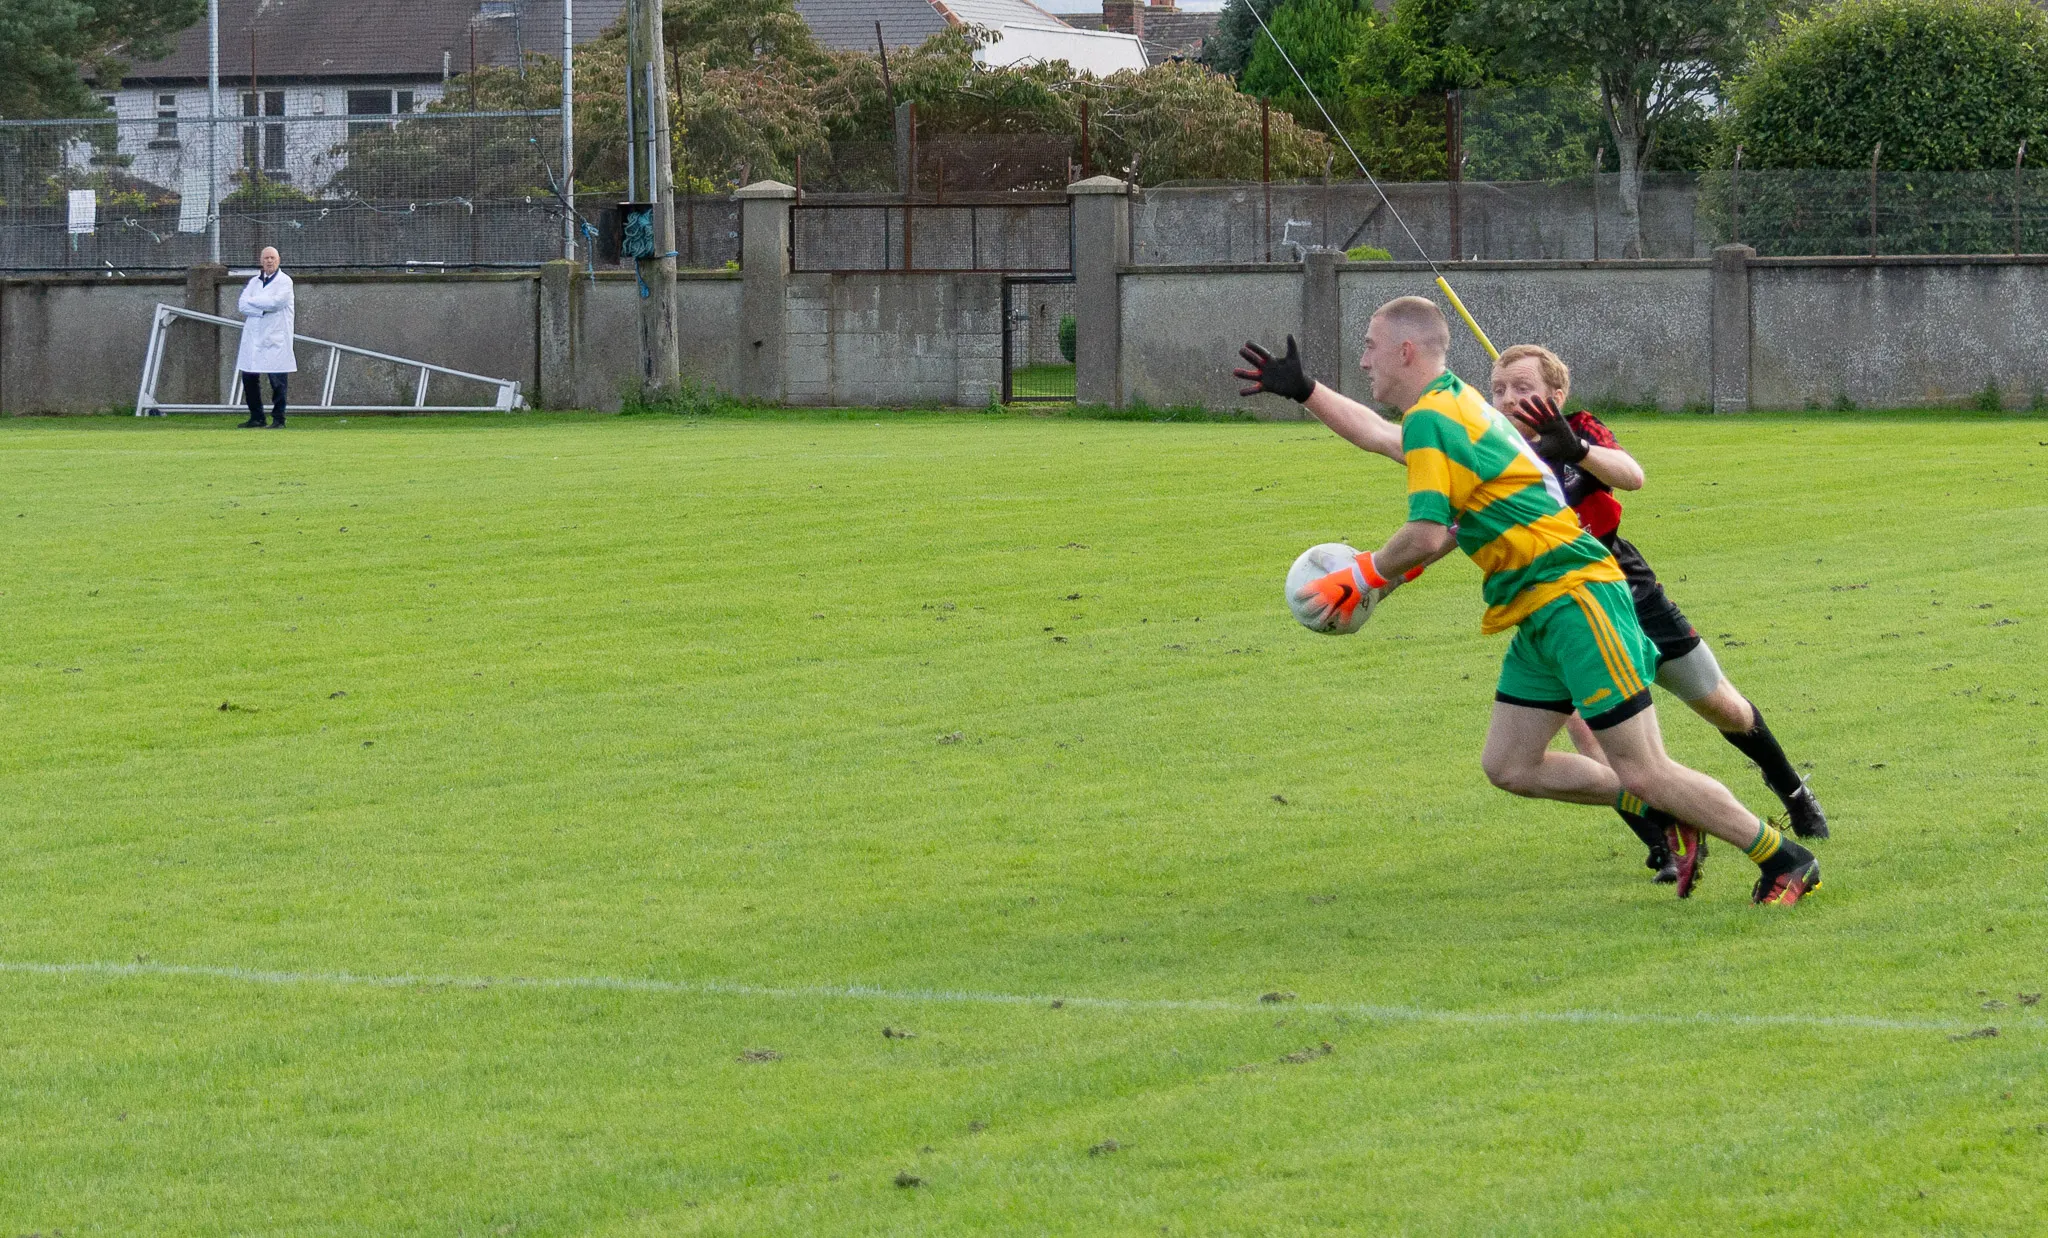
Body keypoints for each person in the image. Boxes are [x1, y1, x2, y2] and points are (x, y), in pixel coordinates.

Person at [1232, 303, 1821, 906]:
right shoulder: (1450, 406)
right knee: (1511, 764)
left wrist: (1361, 575)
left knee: (1647, 766)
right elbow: (1379, 437)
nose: (1362, 359)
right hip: (1538, 608)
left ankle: (1785, 858)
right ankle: (1665, 809)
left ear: (1406, 351)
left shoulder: (1439, 416)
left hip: (1576, 596)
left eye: (1369, 344)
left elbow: (1428, 534)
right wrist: (1306, 390)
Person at [1490, 344, 1828, 883]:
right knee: (1589, 731)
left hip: (1631, 594)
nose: (1509, 399)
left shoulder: (1577, 428)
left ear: (1556, 396)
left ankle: (1791, 788)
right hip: (1567, 610)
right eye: (1499, 389)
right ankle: (1665, 839)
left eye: (1523, 388)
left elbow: (1631, 475)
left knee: (1725, 708)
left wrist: (1574, 448)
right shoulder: (1493, 452)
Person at [236, 246, 295, 428]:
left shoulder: (285, 282)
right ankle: (257, 417)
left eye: (272, 258)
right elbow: (242, 305)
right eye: (266, 258)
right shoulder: (254, 282)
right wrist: (261, 307)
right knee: (249, 378)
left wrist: (254, 304)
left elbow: (276, 303)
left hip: (275, 337)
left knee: (277, 381)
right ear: (261, 261)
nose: (269, 261)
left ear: (278, 260)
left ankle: (279, 419)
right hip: (253, 337)